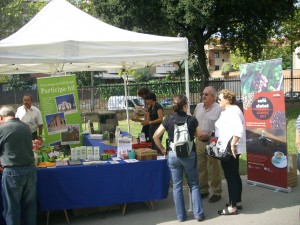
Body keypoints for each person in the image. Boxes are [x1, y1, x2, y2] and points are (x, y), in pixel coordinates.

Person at [153, 94, 205, 222]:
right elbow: (199, 136)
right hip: (189, 155)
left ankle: (181, 217)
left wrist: (163, 150)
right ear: (186, 105)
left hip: (173, 154)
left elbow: (155, 136)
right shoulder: (192, 120)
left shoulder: (168, 119)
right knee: (194, 184)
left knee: (177, 186)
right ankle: (198, 214)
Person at [0, 106, 37, 225]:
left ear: (1, 117)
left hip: (12, 172)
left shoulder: (2, 129)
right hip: (30, 171)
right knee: (30, 207)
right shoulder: (26, 127)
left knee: (12, 209)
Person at [215, 89, 246, 215]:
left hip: (229, 149)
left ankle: (232, 207)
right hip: (228, 147)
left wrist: (232, 145)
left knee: (230, 177)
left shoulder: (233, 111)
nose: (218, 100)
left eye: (220, 99)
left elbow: (238, 130)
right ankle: (236, 201)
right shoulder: (229, 110)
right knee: (234, 175)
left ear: (228, 99)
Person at [193, 86, 223, 203]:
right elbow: (194, 123)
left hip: (213, 141)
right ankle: (203, 190)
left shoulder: (219, 108)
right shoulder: (198, 107)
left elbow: (222, 126)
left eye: (206, 94)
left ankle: (217, 191)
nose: (203, 96)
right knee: (201, 167)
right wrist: (197, 134)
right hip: (199, 141)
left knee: (214, 167)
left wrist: (210, 133)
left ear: (213, 97)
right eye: (203, 94)